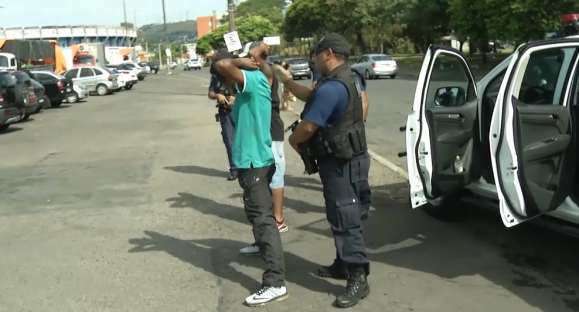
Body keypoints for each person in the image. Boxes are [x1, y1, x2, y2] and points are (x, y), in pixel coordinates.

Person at [273, 33, 371, 308]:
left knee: (346, 217)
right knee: (339, 214)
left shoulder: (333, 87)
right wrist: (286, 80)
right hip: (344, 159)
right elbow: (311, 95)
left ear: (328, 53)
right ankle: (343, 264)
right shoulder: (342, 78)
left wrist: (294, 141)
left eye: (315, 56)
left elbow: (308, 126)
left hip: (343, 162)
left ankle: (358, 278)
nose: (313, 61)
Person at [215, 42, 288, 307]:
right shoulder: (259, 80)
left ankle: (275, 282)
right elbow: (225, 70)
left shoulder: (255, 78)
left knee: (263, 220)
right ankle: (262, 247)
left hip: (255, 161)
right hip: (254, 160)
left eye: (244, 57)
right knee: (259, 216)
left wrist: (241, 62)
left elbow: (221, 64)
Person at [239, 45, 289, 256]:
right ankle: (261, 238)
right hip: (258, 136)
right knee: (260, 189)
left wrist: (259, 54)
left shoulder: (266, 72)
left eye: (251, 56)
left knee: (275, 178)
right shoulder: (256, 73)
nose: (247, 59)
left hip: (272, 133)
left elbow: (278, 75)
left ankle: (278, 220)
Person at [208, 50, 238, 181]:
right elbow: (210, 94)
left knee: (245, 139)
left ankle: (248, 168)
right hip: (225, 112)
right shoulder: (215, 77)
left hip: (242, 111)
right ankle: (234, 169)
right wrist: (218, 95)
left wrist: (236, 97)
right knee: (229, 141)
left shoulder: (239, 75)